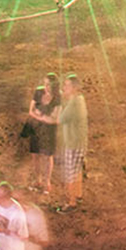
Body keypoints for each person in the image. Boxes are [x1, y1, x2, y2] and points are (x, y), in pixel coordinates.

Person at [53, 74, 88, 211]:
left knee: (69, 173)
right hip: (80, 143)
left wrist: (60, 103)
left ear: (74, 88)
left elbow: (59, 120)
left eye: (66, 85)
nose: (63, 88)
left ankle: (70, 202)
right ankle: (78, 194)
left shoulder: (73, 103)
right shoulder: (79, 99)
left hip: (73, 144)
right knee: (77, 170)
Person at [26, 73, 59, 191]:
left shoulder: (57, 97)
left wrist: (39, 115)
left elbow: (56, 119)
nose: (46, 87)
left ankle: (47, 181)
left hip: (48, 130)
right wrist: (43, 117)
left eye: (49, 85)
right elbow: (31, 110)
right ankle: (37, 180)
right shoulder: (39, 92)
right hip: (36, 128)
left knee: (47, 156)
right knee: (35, 155)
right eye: (45, 84)